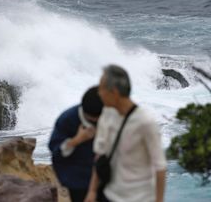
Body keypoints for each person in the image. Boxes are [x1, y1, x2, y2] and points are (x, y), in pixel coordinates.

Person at [85, 65, 167, 202]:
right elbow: (100, 155)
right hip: (110, 196)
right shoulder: (106, 114)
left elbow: (160, 167)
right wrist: (92, 191)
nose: (99, 93)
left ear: (115, 92)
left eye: (102, 89)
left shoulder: (145, 123)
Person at [49, 86, 104, 202]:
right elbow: (56, 152)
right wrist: (77, 140)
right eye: (93, 120)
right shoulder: (67, 119)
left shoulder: (111, 116)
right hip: (76, 177)